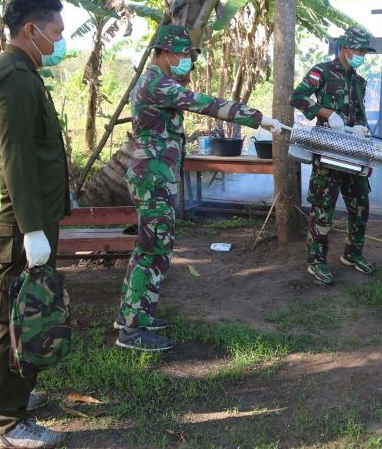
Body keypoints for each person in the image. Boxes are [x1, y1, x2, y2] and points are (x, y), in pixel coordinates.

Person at [114, 25, 282, 351]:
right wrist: (257, 118)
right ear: (166, 53)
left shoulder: (160, 81)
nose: (188, 60)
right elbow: (202, 102)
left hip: (155, 175)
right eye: (184, 54)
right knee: (152, 250)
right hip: (152, 177)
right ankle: (132, 330)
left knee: (151, 247)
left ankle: (134, 314)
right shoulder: (156, 83)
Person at [0, 0, 69, 448]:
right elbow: (16, 157)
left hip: (25, 215)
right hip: (16, 218)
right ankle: (6, 424)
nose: (59, 42)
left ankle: (9, 400)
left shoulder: (22, 71)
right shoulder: (12, 75)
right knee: (14, 313)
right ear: (30, 30)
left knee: (9, 311)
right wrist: (32, 227)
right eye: (55, 33)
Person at [290, 27, 377, 285]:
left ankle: (352, 254)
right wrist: (326, 113)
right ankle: (316, 261)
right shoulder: (322, 71)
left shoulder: (358, 80)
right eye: (359, 51)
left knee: (360, 205)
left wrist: (363, 129)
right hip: (328, 150)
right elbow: (298, 97)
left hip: (354, 150)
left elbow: (358, 113)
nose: (362, 55)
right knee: (323, 209)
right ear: (345, 49)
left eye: (364, 51)